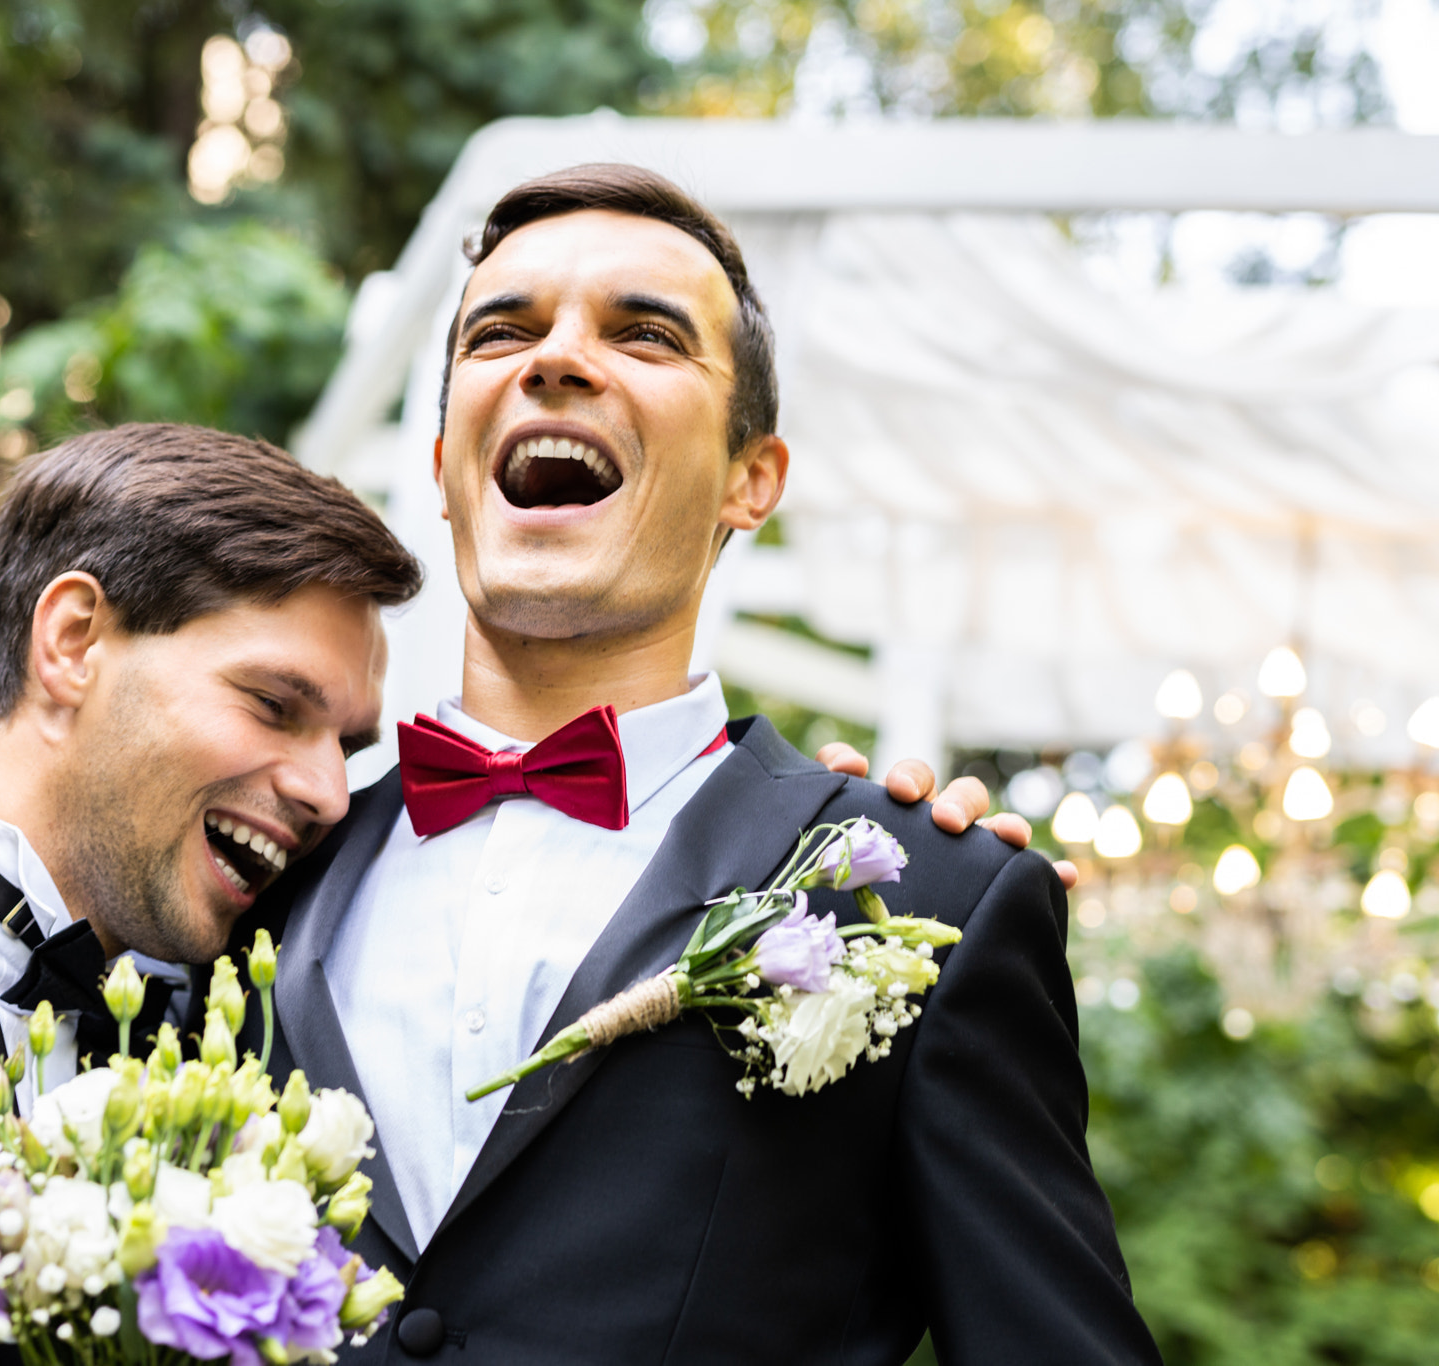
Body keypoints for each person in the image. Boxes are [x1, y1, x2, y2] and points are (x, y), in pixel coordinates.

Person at [0, 420, 1003, 1365]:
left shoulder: (225, 1055)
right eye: (275, 705)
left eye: (350, 739)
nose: (325, 786)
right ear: (73, 642)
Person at [237, 166, 1161, 1364]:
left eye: (644, 334)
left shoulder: (916, 899)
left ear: (749, 480)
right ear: (442, 462)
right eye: (501, 329)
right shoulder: (254, 874)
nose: (554, 360)